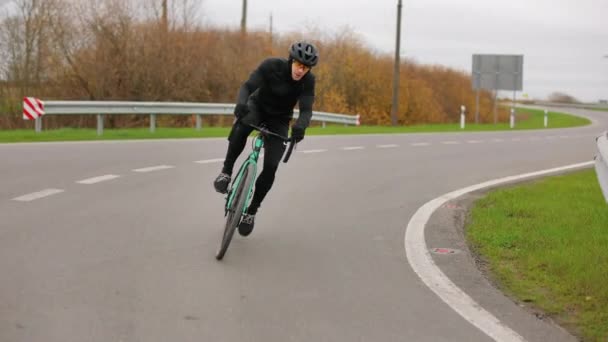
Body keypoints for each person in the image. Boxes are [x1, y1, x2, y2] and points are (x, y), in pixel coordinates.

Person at [213, 40, 319, 237]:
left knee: (271, 166)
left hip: (279, 119)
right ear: (290, 61)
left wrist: (300, 127)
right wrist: (241, 104)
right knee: (242, 127)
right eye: (298, 65)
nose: (300, 70)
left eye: (305, 68)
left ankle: (251, 212)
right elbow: (247, 86)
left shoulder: (308, 82)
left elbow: (306, 110)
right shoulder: (271, 66)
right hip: (257, 108)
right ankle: (226, 172)